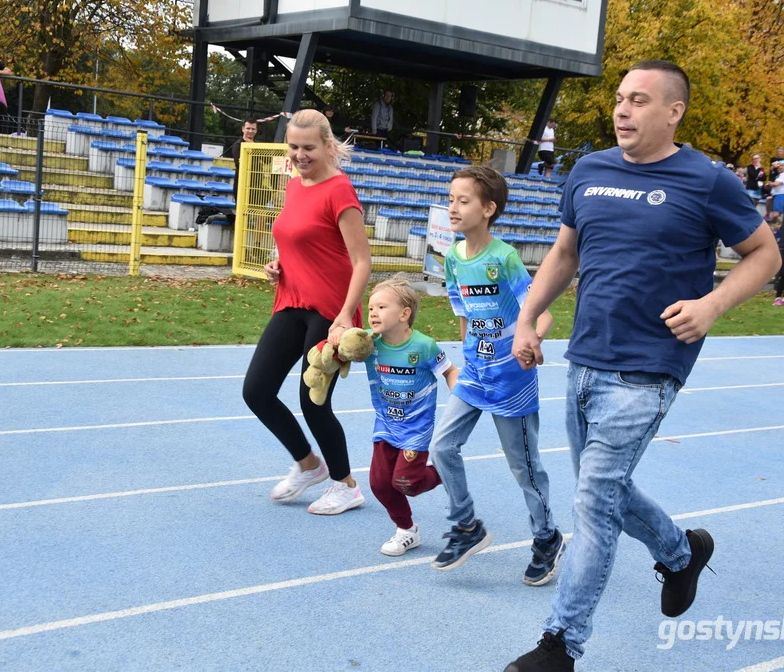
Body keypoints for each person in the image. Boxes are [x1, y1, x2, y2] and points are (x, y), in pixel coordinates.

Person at [506, 60, 779, 671]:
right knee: (605, 493)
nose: (622, 110)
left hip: (650, 368)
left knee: (594, 503)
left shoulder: (708, 179)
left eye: (639, 100)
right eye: (620, 99)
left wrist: (711, 304)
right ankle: (683, 555)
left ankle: (560, 646)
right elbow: (564, 252)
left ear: (673, 111)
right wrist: (527, 318)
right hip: (584, 360)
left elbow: (765, 254)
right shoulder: (589, 170)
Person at [428, 165, 564, 586]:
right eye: (450, 199)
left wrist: (532, 341)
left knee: (523, 467)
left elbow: (541, 314)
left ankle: (547, 537)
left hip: (511, 379)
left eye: (463, 201)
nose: (453, 207)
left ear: (488, 209)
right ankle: (467, 526)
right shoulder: (452, 256)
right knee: (442, 447)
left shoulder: (503, 258)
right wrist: (466, 358)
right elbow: (465, 315)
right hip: (475, 373)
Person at [241, 109, 372, 515]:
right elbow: (297, 237)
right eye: (294, 146)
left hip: (331, 310)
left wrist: (346, 316)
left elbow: (362, 261)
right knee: (257, 391)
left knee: (312, 400)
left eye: (308, 148)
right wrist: (277, 263)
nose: (299, 154)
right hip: (291, 301)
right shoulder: (295, 185)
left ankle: (346, 485)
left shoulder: (340, 191)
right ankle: (308, 464)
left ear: (329, 146)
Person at [364, 278, 459, 556]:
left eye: (381, 307)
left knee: (407, 483)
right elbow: (342, 351)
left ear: (404, 314)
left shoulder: (424, 346)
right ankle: (407, 530)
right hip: (385, 424)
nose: (372, 313)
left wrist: (461, 397)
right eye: (370, 308)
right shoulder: (369, 344)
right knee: (379, 484)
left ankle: (443, 469)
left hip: (415, 428)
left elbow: (450, 371)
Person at [222, 118, 258, 205]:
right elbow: (240, 164)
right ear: (243, 129)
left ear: (256, 130)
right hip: (241, 185)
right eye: (248, 128)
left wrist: (254, 146)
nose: (250, 131)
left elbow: (267, 161)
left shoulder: (257, 145)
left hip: (255, 186)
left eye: (253, 129)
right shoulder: (237, 145)